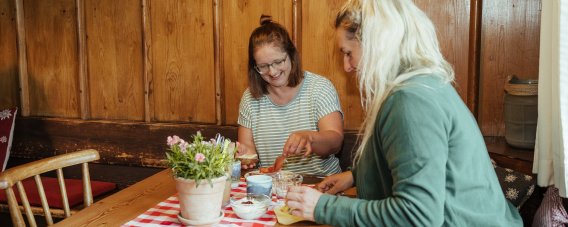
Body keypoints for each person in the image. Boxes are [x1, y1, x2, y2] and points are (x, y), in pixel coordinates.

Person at [284, 0, 523, 226]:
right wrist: (355, 176)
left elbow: (417, 216)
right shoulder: (421, 85)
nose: (347, 66)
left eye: (348, 53)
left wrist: (323, 207)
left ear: (376, 45)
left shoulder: (410, 101)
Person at [237, 15, 344, 176]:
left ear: (291, 54)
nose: (272, 72)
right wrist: (244, 156)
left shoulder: (319, 88)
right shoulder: (250, 98)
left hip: (320, 184)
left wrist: (310, 138)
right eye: (263, 66)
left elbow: (336, 141)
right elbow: (249, 151)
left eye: (278, 62)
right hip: (274, 188)